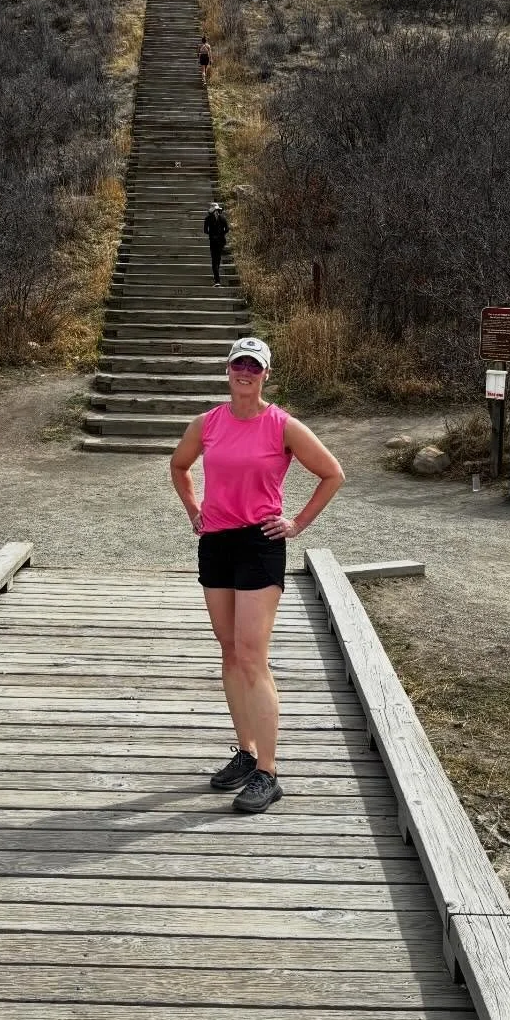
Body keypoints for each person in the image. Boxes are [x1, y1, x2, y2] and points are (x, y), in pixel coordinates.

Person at [170, 337, 344, 814]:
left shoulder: (281, 425)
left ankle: (269, 771)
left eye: (254, 365)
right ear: (228, 371)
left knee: (251, 656)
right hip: (217, 543)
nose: (244, 372)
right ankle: (245, 754)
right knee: (229, 651)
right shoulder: (208, 423)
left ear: (265, 374)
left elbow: (332, 473)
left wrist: (298, 523)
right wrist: (194, 509)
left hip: (260, 545)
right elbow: (179, 466)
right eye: (238, 364)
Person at [203, 199, 227, 283]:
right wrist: (221, 234)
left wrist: (212, 234)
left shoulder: (207, 219)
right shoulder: (223, 218)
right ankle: (217, 278)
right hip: (221, 241)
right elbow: (227, 229)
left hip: (213, 242)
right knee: (218, 259)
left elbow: (205, 231)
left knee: (214, 262)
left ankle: (217, 281)